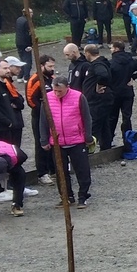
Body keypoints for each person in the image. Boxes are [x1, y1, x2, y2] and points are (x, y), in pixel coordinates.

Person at [40, 74, 94, 207]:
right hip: (57, 142)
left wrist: (88, 136)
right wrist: (44, 139)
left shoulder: (79, 97)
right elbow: (43, 120)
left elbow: (86, 117)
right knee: (61, 173)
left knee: (82, 170)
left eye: (60, 91)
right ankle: (66, 196)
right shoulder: (47, 98)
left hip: (77, 140)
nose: (57, 94)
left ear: (67, 88)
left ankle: (83, 196)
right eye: (55, 90)